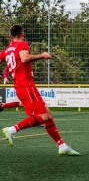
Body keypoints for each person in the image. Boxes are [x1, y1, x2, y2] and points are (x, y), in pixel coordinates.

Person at [0, 25, 80, 156]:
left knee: (47, 114)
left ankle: (62, 146)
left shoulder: (7, 50)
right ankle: (12, 130)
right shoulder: (22, 44)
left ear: (10, 36)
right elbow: (25, 58)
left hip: (20, 86)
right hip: (26, 86)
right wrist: (42, 55)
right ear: (23, 34)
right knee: (44, 116)